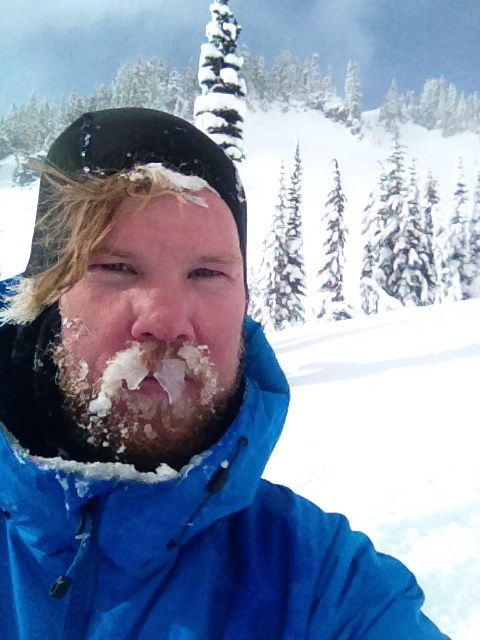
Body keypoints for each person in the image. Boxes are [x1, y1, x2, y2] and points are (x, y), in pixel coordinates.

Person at [0, 108, 449, 640]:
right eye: (116, 268)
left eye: (207, 273)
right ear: (47, 297)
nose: (167, 321)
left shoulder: (319, 581)